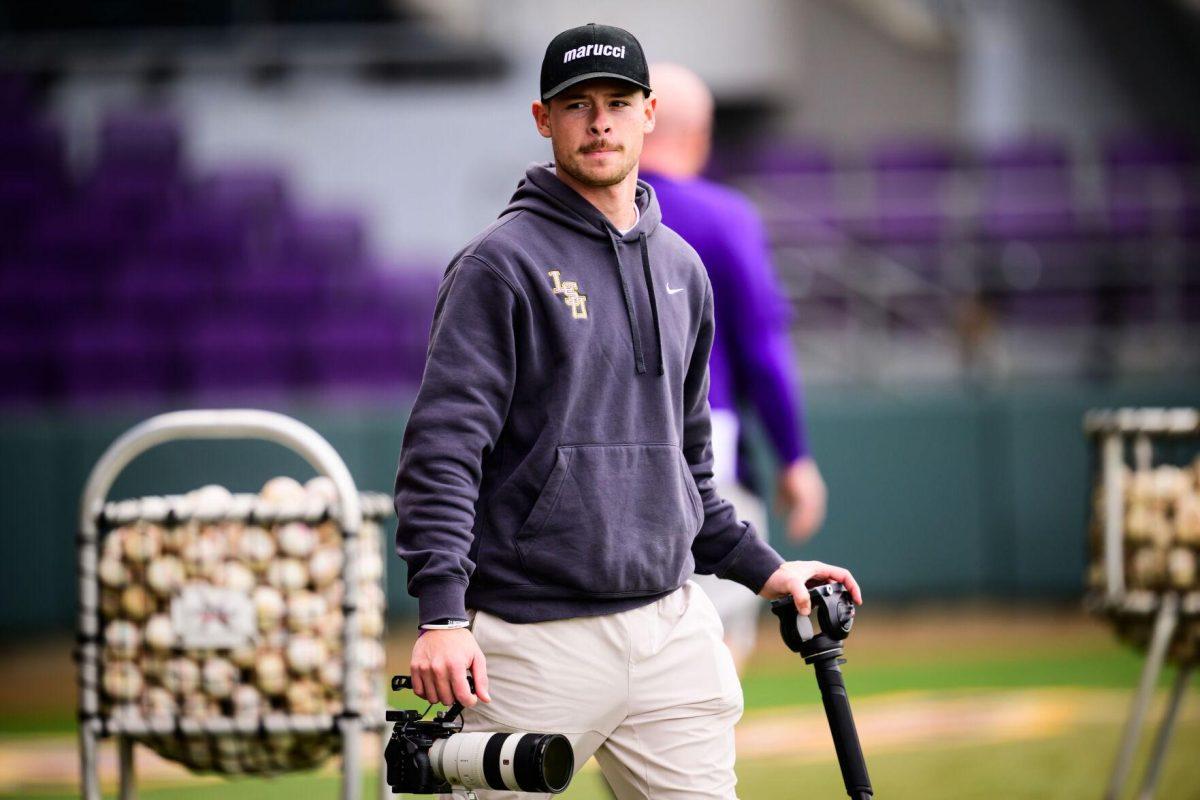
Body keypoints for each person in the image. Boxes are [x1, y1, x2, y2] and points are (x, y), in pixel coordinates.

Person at [393, 23, 862, 800]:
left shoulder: (685, 268)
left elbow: (687, 471)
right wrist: (442, 614)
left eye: (618, 101)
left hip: (672, 630)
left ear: (650, 114)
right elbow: (442, 452)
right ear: (544, 120)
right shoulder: (497, 265)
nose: (600, 121)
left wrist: (768, 571)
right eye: (577, 104)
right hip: (531, 642)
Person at [639, 63, 828, 673]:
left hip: (599, 454)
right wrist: (794, 457)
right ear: (700, 135)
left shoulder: (582, 217)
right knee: (707, 652)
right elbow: (763, 350)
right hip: (706, 449)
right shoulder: (725, 216)